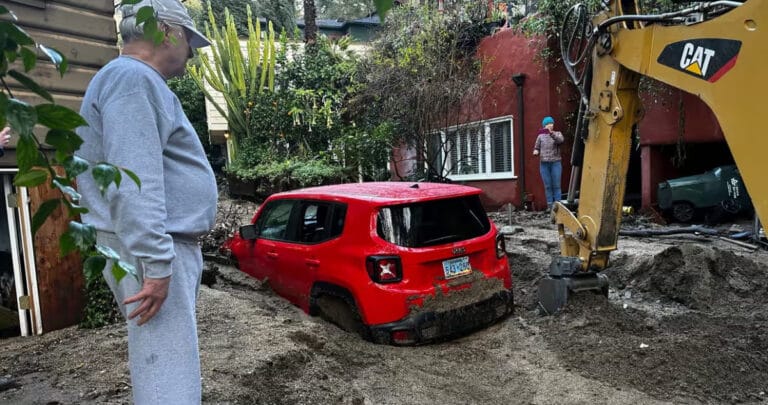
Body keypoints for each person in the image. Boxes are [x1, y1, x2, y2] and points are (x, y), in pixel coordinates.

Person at [75, 0, 217, 403]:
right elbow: (135, 180)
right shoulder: (131, 79)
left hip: (153, 241)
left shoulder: (130, 80)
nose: (190, 51)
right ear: (167, 31)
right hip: (153, 244)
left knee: (166, 359)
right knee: (165, 367)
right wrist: (156, 263)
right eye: (189, 39)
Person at [533, 116, 564, 210]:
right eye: (548, 124)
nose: (550, 125)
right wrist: (536, 151)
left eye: (551, 123)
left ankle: (558, 207)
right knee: (548, 186)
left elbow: (561, 140)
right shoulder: (540, 136)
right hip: (544, 164)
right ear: (544, 126)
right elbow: (536, 147)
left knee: (556, 185)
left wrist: (551, 134)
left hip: (556, 163)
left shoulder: (557, 134)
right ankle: (550, 207)